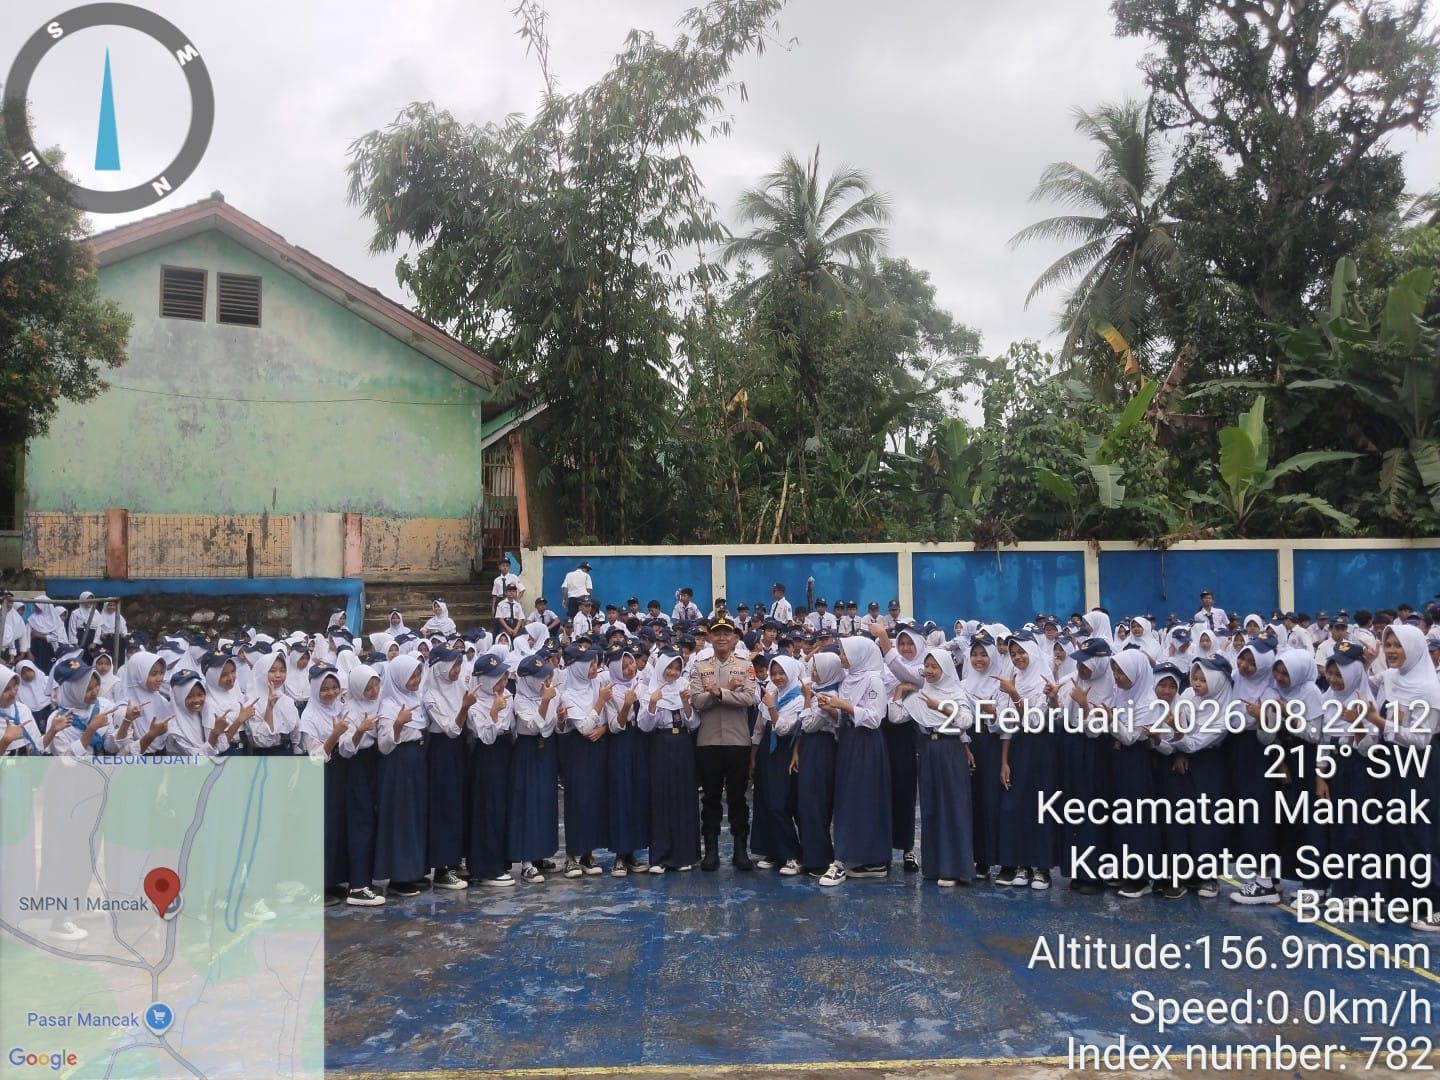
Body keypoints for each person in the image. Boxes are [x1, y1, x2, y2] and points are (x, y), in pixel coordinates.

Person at [816, 636, 892, 886]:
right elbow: (846, 715)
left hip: (866, 744)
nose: (841, 657)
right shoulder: (850, 678)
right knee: (848, 798)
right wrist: (833, 709)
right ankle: (856, 857)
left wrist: (844, 705)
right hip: (850, 740)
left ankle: (856, 859)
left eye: (845, 653)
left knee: (863, 798)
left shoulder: (873, 680)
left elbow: (874, 718)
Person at [688, 616, 755, 871]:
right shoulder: (700, 666)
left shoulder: (745, 665)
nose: (722, 638)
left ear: (735, 638)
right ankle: (711, 850)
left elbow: (749, 698)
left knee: (738, 797)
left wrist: (718, 692)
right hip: (709, 742)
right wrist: (726, 691)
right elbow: (697, 701)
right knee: (711, 797)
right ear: (710, 637)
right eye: (717, 633)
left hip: (738, 741)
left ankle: (740, 850)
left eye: (727, 633)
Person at [639, 648, 700, 873]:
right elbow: (645, 726)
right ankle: (660, 857)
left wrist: (686, 704)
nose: (673, 672)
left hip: (682, 745)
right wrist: (653, 704)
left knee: (683, 797)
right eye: (669, 668)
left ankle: (684, 855)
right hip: (660, 745)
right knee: (661, 797)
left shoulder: (685, 686)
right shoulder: (650, 689)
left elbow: (694, 724)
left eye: (677, 668)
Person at [374, 654, 429, 898]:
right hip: (398, 763)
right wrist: (398, 724)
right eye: (410, 676)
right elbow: (384, 745)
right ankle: (399, 876)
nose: (416, 680)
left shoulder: (416, 699)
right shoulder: (389, 706)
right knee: (401, 818)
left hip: (416, 761)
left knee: (415, 815)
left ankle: (414, 870)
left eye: (418, 675)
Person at [422, 647, 470, 891]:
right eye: (453, 665)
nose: (457, 670)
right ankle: (442, 868)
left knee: (459, 804)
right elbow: (450, 729)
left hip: (460, 749)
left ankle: (455, 859)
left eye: (459, 665)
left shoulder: (459, 687)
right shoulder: (431, 695)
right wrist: (464, 708)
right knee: (444, 806)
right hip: (442, 750)